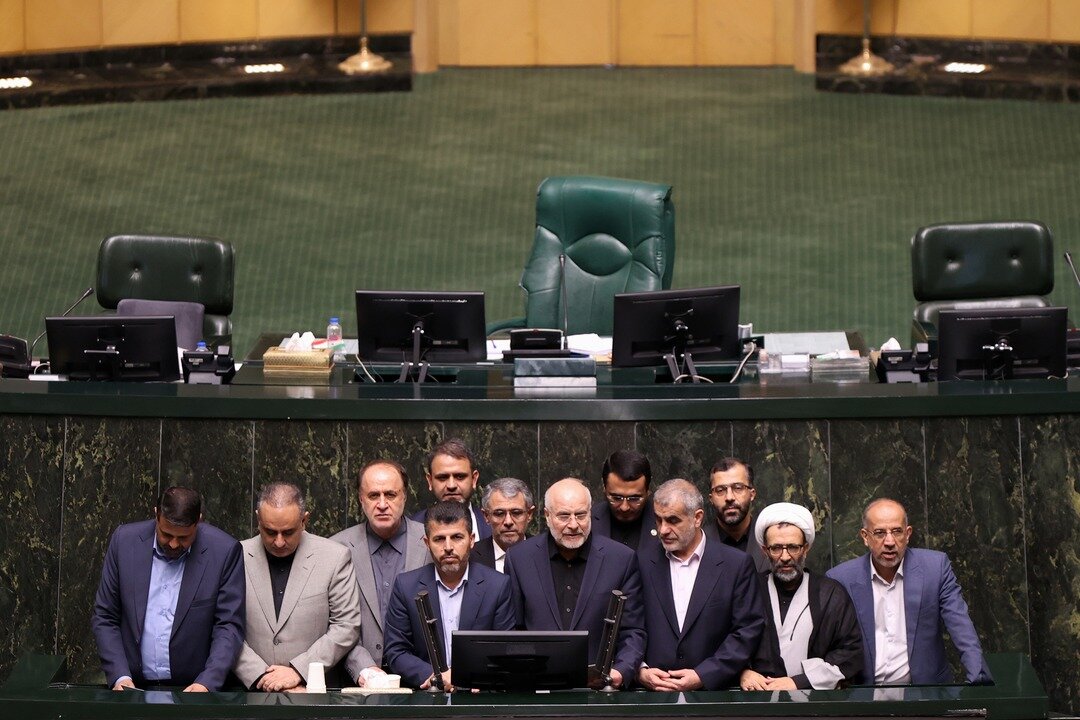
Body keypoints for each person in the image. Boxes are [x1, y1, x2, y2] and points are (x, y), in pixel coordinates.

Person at [91, 486, 244, 692]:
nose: (173, 544)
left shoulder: (224, 551)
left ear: (199, 521)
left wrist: (207, 682)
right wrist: (120, 676)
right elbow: (105, 615)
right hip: (133, 687)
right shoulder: (124, 542)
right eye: (166, 534)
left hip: (194, 690)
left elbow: (228, 625)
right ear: (156, 515)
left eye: (183, 538)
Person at [826, 498, 992, 685]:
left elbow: (960, 623)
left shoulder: (935, 568)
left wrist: (978, 677)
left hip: (925, 692)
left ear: (908, 534)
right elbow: (830, 645)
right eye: (879, 533)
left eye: (897, 531)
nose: (890, 542)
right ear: (865, 537)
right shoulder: (841, 579)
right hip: (864, 692)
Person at [505, 478, 646, 689]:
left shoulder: (621, 559)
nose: (573, 525)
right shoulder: (519, 559)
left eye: (580, 515)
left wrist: (621, 671)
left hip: (600, 690)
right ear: (547, 516)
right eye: (564, 516)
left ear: (590, 513)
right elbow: (512, 630)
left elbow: (633, 630)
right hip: (536, 688)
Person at [636, 479, 764, 691]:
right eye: (658, 520)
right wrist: (639, 669)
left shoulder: (736, 565)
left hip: (713, 695)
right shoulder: (641, 562)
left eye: (673, 520)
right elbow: (630, 625)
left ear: (697, 518)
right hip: (653, 694)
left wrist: (703, 675)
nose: (663, 530)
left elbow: (747, 630)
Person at [233, 483, 362, 691]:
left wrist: (299, 671)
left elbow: (346, 625)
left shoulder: (335, 557)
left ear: (304, 520)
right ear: (258, 519)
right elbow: (224, 626)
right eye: (270, 532)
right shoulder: (234, 555)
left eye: (288, 532)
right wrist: (261, 676)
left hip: (312, 694)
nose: (279, 542)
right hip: (249, 693)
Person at [383, 501, 516, 690]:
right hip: (427, 696)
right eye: (439, 539)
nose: (448, 547)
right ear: (427, 543)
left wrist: (476, 676)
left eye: (457, 537)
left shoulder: (497, 585)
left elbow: (504, 650)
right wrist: (435, 676)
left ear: (471, 540)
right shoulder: (406, 586)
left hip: (478, 695)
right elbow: (396, 650)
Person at [739, 502, 863, 691]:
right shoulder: (748, 589)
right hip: (757, 700)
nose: (785, 557)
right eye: (776, 548)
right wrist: (742, 672)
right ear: (765, 551)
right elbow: (726, 641)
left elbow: (850, 652)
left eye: (793, 547)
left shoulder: (831, 594)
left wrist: (800, 682)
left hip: (814, 703)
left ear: (806, 548)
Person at [331, 459, 430, 687]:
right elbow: (332, 621)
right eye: (374, 495)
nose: (382, 504)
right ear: (361, 499)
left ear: (404, 496)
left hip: (423, 681)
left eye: (391, 495)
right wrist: (364, 668)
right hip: (357, 684)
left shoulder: (432, 543)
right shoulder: (336, 549)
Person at [409, 439, 492, 540]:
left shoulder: (494, 525)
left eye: (460, 476)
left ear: (474, 479)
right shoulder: (411, 530)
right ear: (430, 481)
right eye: (442, 477)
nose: (451, 485)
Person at [704, 457, 769, 572]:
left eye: (738, 488)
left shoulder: (770, 540)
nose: (729, 497)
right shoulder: (698, 543)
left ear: (752, 494)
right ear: (711, 498)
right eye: (720, 490)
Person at [590, 450, 656, 553]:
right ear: (604, 488)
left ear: (648, 491)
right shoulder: (588, 521)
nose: (624, 507)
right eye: (616, 498)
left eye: (634, 499)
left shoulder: (664, 522)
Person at [472, 477, 535, 573]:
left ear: (529, 514)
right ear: (486, 516)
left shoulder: (545, 554)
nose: (508, 522)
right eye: (499, 514)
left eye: (516, 513)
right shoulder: (470, 558)